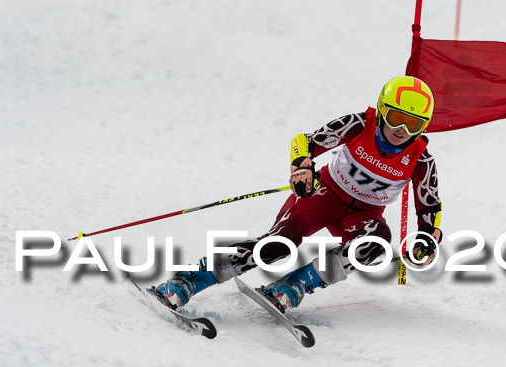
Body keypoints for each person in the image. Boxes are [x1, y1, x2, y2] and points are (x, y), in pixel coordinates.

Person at [151, 76, 443, 313]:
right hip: (324, 194)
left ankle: (294, 285)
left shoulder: (421, 160)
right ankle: (188, 279)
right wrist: (302, 168)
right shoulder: (359, 124)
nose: (401, 130)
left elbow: (429, 207)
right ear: (381, 110)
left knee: (375, 245)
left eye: (413, 124)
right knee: (278, 246)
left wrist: (428, 239)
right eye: (395, 118)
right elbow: (305, 141)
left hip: (364, 215)